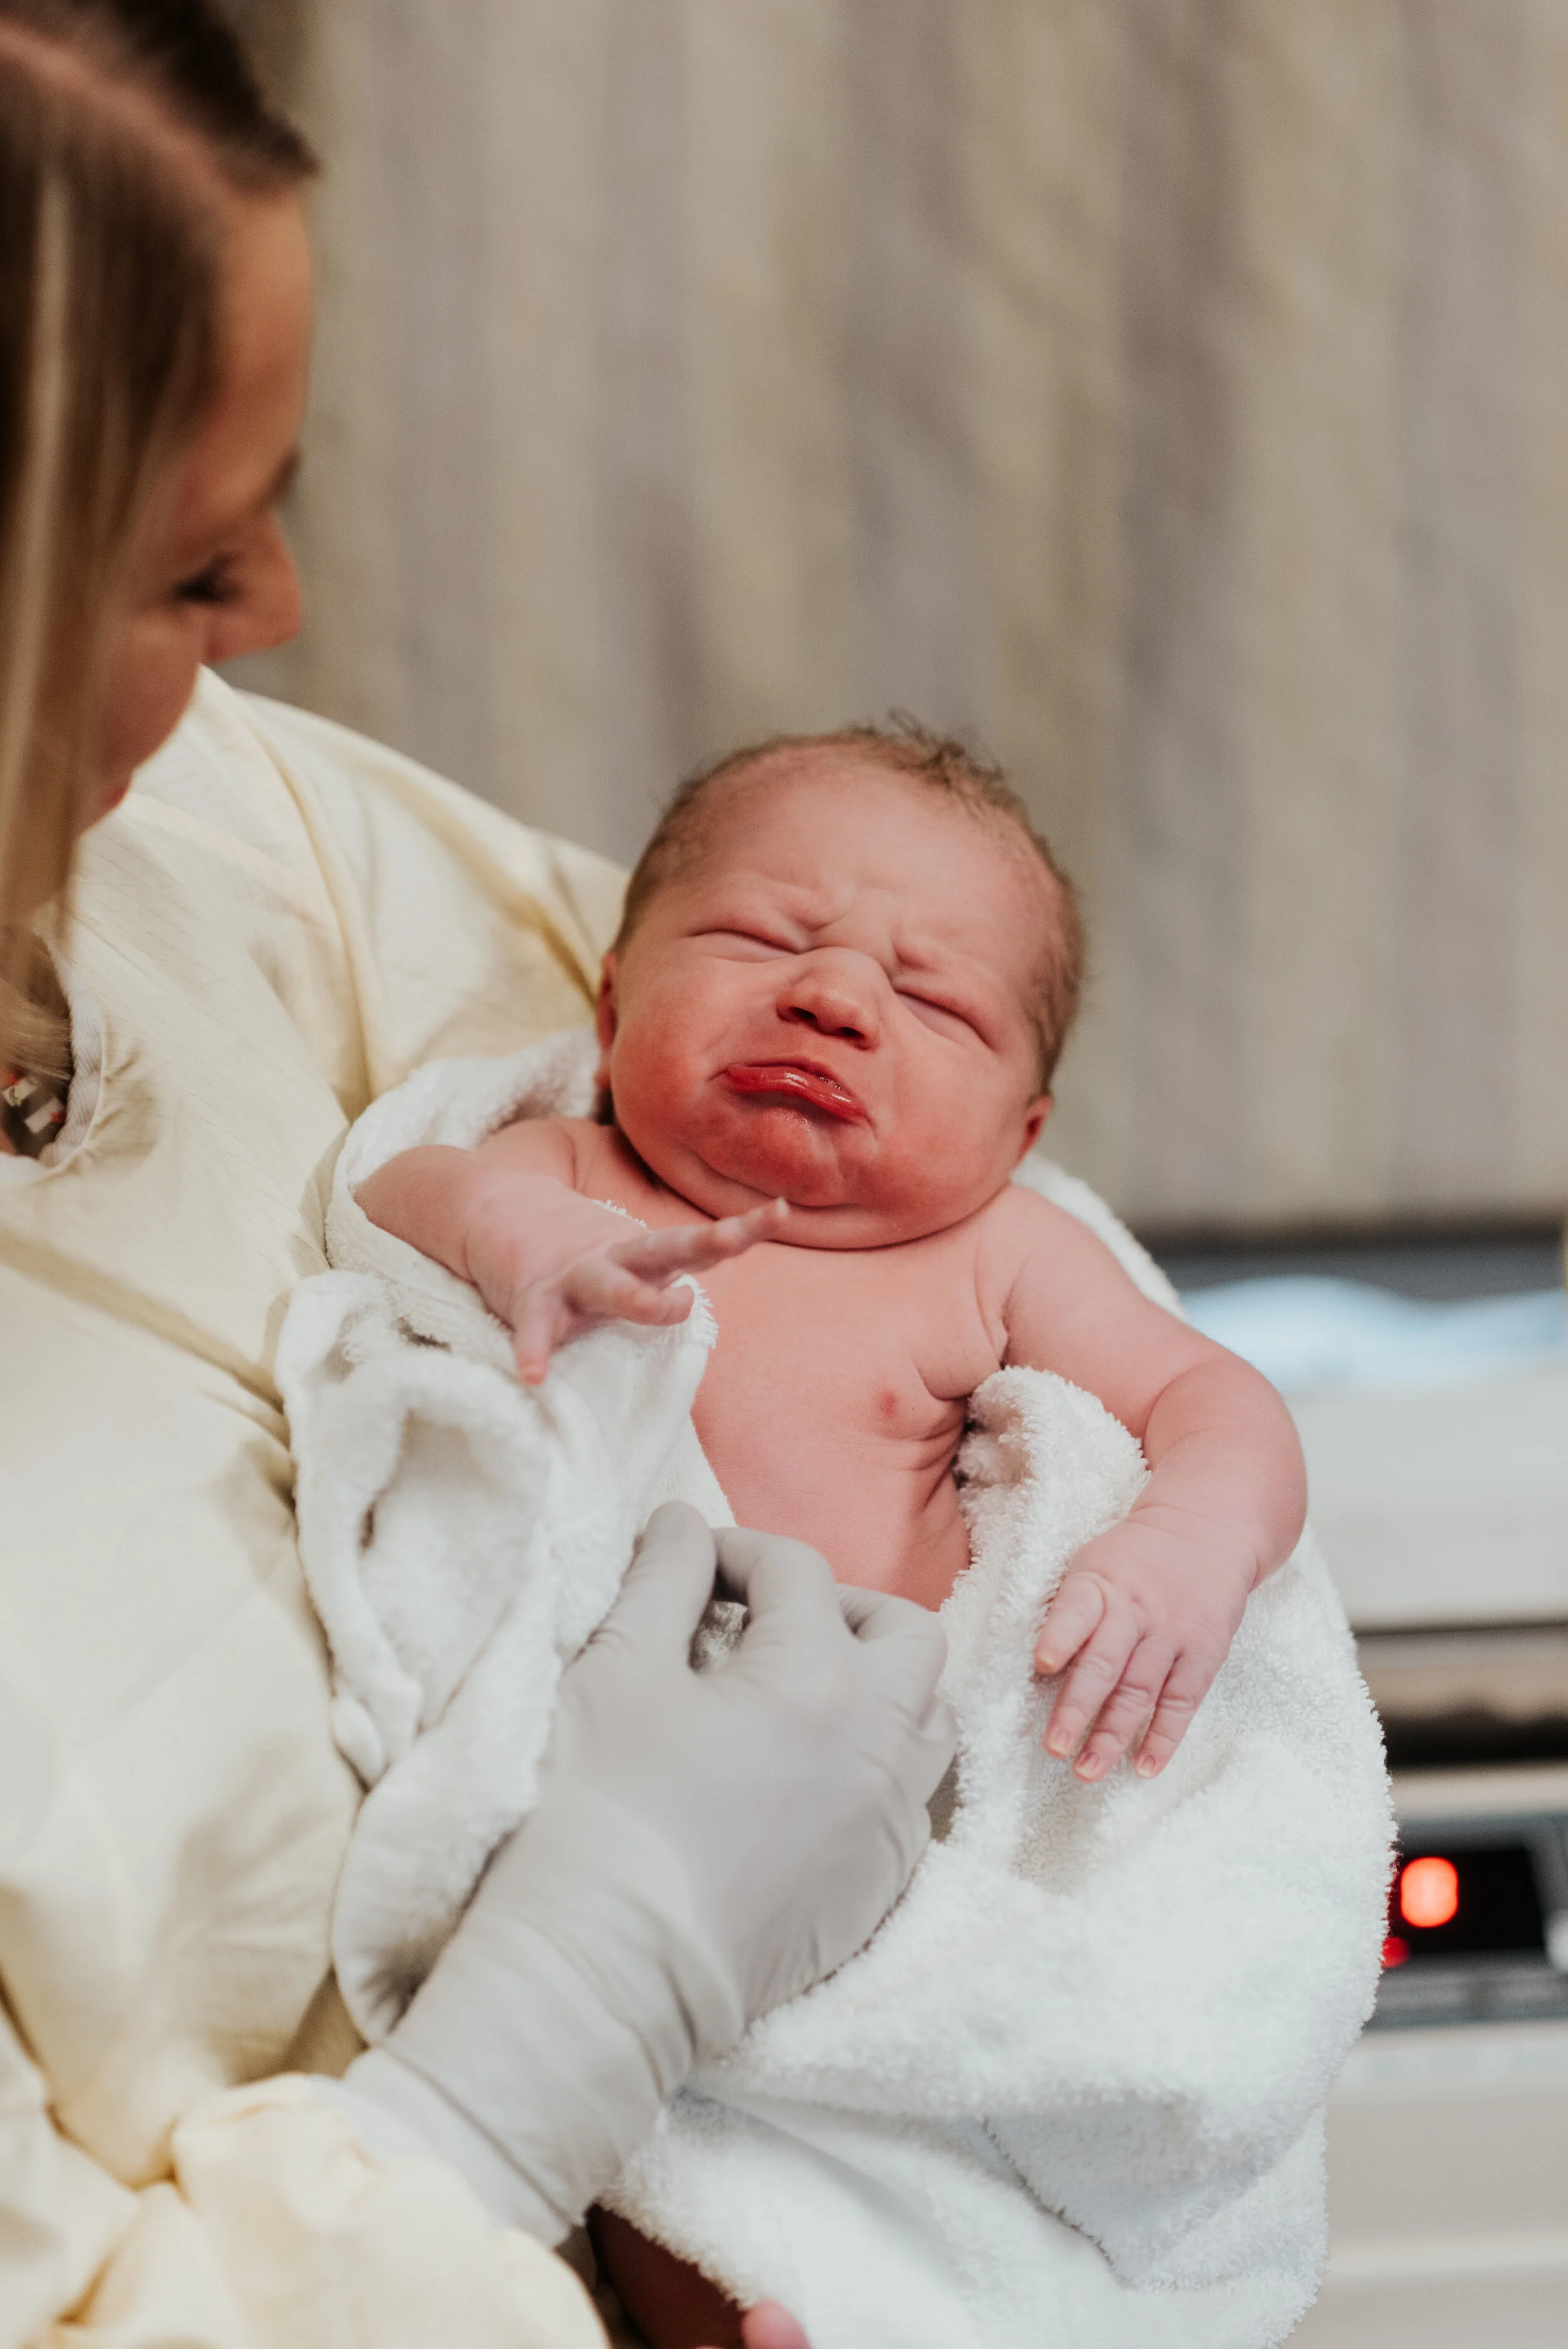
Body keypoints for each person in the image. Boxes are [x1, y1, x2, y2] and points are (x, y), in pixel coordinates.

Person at [0, 7, 955, 2345]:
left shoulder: (216, 831)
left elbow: (867, 1101)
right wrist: (568, 2010)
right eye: (193, 562)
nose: (281, 623)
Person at [358, 725, 1309, 1790]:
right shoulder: (574, 1168)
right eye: (760, 939)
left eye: (934, 1000)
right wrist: (515, 1235)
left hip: (847, 1767)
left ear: (1018, 1137)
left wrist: (1194, 1540)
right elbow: (395, 1191)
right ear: (614, 1007)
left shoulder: (994, 1252)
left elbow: (1210, 1392)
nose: (834, 1000)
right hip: (568, 1725)